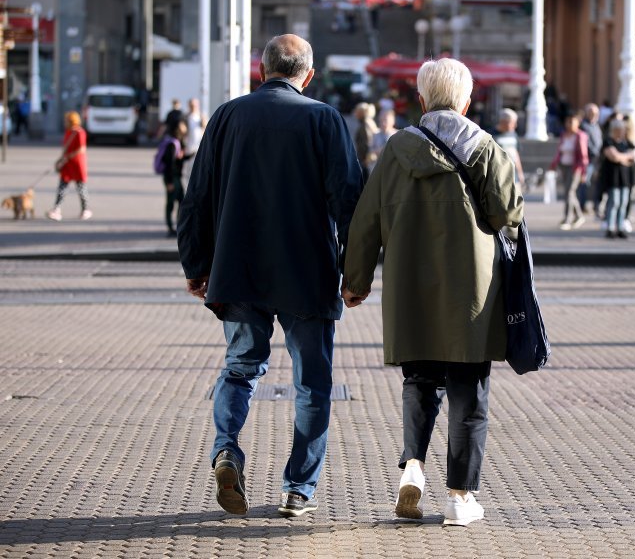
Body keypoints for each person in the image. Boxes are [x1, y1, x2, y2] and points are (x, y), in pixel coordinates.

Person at [177, 34, 363, 518]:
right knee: (312, 383)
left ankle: (226, 451)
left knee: (240, 368)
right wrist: (356, 271)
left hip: (238, 268)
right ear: (309, 74)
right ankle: (298, 487)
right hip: (307, 271)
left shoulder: (226, 117)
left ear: (261, 70)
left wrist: (197, 265)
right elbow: (349, 201)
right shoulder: (324, 119)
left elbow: (196, 197)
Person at [342, 58, 523, 527]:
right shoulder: (485, 148)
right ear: (466, 100)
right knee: (468, 394)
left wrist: (356, 281)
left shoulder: (396, 150)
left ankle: (415, 469)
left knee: (419, 383)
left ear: (421, 100)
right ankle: (461, 499)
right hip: (472, 296)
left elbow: (366, 221)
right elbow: (508, 214)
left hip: (410, 293)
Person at [46, 112, 92, 221]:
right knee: (62, 187)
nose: (64, 122)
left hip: (77, 164)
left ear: (71, 121)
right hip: (67, 164)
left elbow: (82, 148)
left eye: (66, 120)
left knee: (81, 188)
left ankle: (85, 209)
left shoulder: (80, 132)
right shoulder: (68, 132)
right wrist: (61, 159)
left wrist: (68, 157)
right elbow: (66, 147)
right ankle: (57, 209)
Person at [550, 114, 589, 230]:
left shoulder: (580, 136)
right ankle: (579, 216)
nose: (570, 125)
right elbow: (560, 151)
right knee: (569, 192)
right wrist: (554, 164)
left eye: (572, 122)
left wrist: (583, 172)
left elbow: (584, 156)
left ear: (577, 123)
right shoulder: (564, 135)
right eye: (568, 122)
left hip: (575, 168)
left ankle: (568, 218)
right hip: (564, 166)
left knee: (569, 192)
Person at [600, 119, 635, 239]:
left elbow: (632, 156)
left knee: (623, 203)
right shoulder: (608, 141)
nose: (620, 132)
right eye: (618, 130)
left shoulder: (627, 143)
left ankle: (620, 227)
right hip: (613, 177)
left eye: (622, 130)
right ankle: (610, 227)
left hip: (625, 177)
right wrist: (624, 157)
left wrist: (620, 157)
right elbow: (613, 156)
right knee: (613, 202)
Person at [161, 120, 186, 237]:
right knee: (171, 203)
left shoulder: (179, 141)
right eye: (182, 125)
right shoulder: (172, 143)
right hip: (172, 178)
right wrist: (169, 182)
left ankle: (179, 226)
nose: (185, 127)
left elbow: (178, 159)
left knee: (182, 201)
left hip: (176, 177)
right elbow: (169, 164)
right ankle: (170, 228)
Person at [492, 108, 526, 190]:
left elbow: (516, 155)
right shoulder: (491, 135)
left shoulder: (513, 134)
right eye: (513, 123)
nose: (515, 125)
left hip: (514, 176)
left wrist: (520, 173)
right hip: (498, 177)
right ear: (503, 122)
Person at [580, 103, 603, 214]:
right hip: (588, 159)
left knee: (597, 183)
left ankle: (596, 205)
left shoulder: (597, 126)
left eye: (596, 113)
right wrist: (595, 152)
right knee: (585, 183)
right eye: (591, 113)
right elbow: (586, 143)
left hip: (597, 160)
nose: (594, 115)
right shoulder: (583, 126)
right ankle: (583, 205)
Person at [354, 102, 378, 180]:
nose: (355, 113)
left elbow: (368, 142)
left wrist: (366, 158)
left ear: (362, 112)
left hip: (366, 159)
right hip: (366, 158)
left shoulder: (366, 124)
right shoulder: (367, 122)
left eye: (357, 111)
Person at [183, 98, 207, 173]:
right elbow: (183, 131)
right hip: (189, 147)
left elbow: (206, 128)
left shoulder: (201, 116)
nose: (193, 107)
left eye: (195, 105)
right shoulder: (186, 117)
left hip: (199, 146)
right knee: (188, 169)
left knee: (199, 169)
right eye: (192, 105)